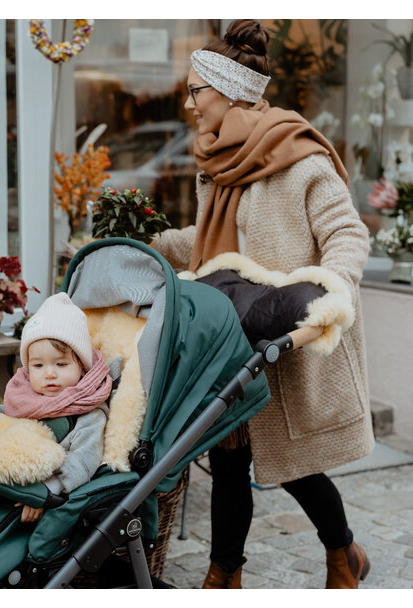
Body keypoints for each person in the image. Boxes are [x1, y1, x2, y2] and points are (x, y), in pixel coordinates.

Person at [152, 19, 374, 589]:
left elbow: (347, 234)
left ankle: (342, 555)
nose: (189, 103)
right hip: (230, 333)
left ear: (228, 92)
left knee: (295, 466)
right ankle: (223, 573)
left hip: (282, 334)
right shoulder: (220, 164)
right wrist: (147, 242)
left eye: (196, 91)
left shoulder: (300, 159)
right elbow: (212, 242)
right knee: (227, 464)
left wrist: (328, 292)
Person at [0, 292, 112, 523]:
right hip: (3, 480)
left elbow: (84, 460)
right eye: (38, 365)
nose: (49, 373)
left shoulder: (88, 414)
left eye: (61, 363)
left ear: (82, 367)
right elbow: (2, 419)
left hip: (42, 497)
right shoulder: (24, 398)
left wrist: (47, 491)